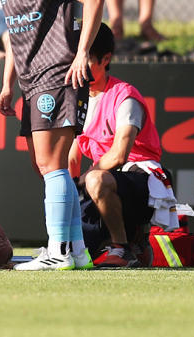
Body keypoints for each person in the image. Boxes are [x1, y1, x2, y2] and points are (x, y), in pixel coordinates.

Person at [0, 0, 104, 271]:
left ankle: (58, 250)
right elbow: (13, 37)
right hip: (30, 82)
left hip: (56, 74)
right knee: (47, 165)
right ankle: (75, 249)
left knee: (51, 162)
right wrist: (8, 84)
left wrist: (81, 53)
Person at [68, 23, 178, 268]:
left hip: (143, 176)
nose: (75, 67)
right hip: (108, 179)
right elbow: (72, 159)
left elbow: (119, 155)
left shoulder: (124, 96)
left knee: (95, 180)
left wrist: (85, 180)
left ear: (106, 59)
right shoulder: (76, 98)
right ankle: (135, 244)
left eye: (83, 59)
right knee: (76, 243)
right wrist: (68, 196)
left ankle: (122, 247)